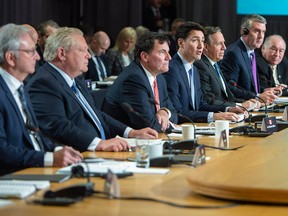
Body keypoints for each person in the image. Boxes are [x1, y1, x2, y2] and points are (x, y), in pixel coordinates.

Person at [27, 27, 158, 153]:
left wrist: (131, 132)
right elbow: (58, 126)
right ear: (62, 53)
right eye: (83, 50)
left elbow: (96, 115)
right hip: (78, 157)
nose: (89, 56)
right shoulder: (44, 82)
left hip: (98, 152)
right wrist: (99, 144)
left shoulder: (76, 82)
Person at [0, 24, 83, 176]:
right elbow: (2, 151)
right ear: (11, 58)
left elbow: (34, 135)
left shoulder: (21, 87)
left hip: (34, 169)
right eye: (30, 52)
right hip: (12, 178)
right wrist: (49, 158)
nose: (38, 57)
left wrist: (58, 150)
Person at [164, 22, 242, 123]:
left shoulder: (194, 70)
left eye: (202, 40)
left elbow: (201, 104)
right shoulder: (171, 69)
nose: (201, 46)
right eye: (195, 40)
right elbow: (177, 112)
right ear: (181, 43)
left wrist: (228, 109)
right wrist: (213, 117)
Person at [102, 31, 178, 132]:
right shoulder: (134, 79)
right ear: (145, 57)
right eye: (162, 52)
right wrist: (172, 125)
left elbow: (174, 113)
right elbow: (149, 125)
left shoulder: (159, 77)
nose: (169, 57)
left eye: (168, 52)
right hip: (121, 142)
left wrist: (164, 112)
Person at [194, 26, 259, 109]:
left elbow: (229, 98)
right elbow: (208, 100)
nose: (224, 47)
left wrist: (248, 103)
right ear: (206, 47)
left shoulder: (215, 64)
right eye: (219, 44)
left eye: (223, 43)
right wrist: (240, 106)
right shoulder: (201, 66)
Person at [220, 14, 280, 104]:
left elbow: (247, 86)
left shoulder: (251, 52)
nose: (261, 36)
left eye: (263, 32)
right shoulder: (233, 53)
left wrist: (264, 90)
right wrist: (258, 96)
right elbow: (229, 87)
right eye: (257, 31)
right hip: (240, 108)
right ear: (244, 32)